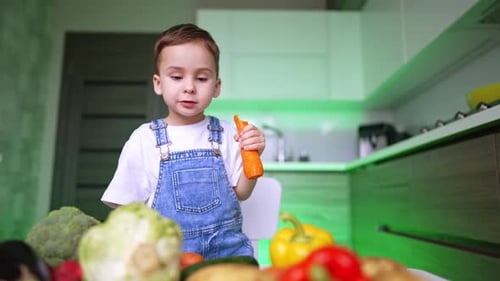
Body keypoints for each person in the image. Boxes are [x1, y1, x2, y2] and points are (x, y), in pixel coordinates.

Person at [101, 23, 266, 259]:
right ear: (158, 83)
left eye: (201, 78)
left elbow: (241, 192)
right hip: (167, 258)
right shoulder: (144, 139)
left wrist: (253, 155)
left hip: (228, 255)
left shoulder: (228, 134)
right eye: (177, 76)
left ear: (216, 86)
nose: (189, 87)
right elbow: (124, 205)